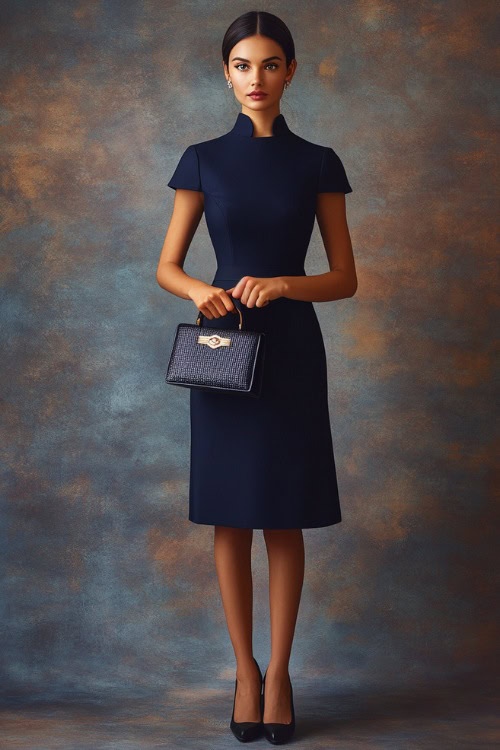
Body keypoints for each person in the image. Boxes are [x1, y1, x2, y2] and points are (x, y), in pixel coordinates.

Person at [156, 10, 357, 745]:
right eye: (242, 65)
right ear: (227, 73)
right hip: (222, 348)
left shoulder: (318, 162)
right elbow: (167, 264)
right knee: (230, 512)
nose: (256, 78)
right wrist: (195, 291)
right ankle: (243, 670)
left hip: (292, 348)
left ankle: (282, 672)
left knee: (284, 513)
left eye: (270, 64)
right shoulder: (202, 158)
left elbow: (345, 278)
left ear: (291, 72)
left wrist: (283, 285)